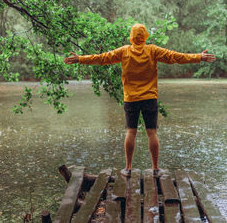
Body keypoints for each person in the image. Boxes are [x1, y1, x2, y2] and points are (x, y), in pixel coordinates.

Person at [64, 23, 215, 177]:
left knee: (131, 132)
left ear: (131, 36)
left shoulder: (124, 51)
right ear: (145, 36)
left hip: (131, 99)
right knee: (152, 133)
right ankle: (155, 168)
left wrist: (80, 59)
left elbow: (101, 58)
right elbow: (176, 57)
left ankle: (128, 168)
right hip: (150, 98)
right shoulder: (153, 50)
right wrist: (199, 57)